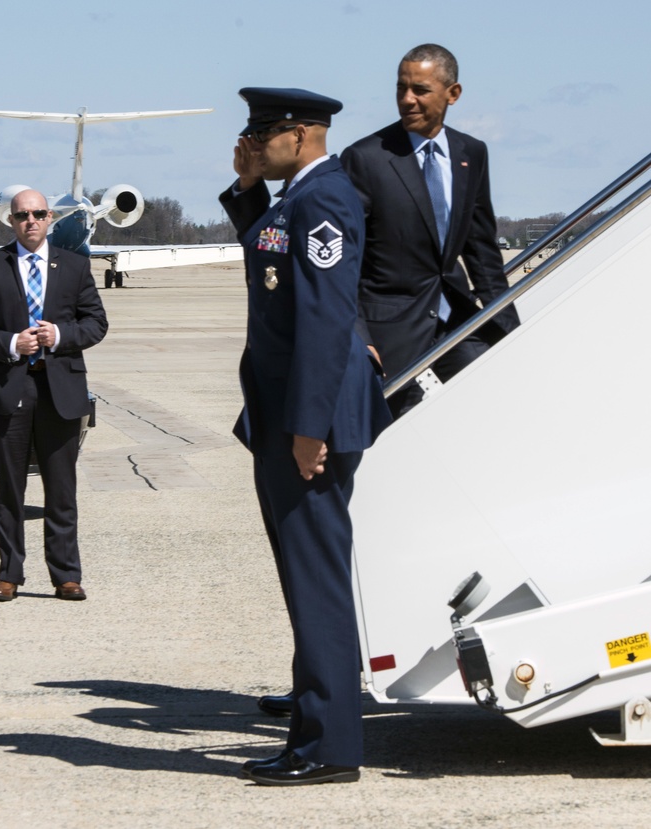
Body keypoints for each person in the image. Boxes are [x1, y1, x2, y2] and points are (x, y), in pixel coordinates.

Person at [219, 88, 392, 785]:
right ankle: (312, 734)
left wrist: (308, 429)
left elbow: (323, 320)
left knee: (315, 577)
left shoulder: (324, 199)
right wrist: (246, 188)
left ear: (301, 133)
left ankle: (329, 746)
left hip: (304, 416)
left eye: (264, 133)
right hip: (287, 407)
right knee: (306, 574)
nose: (255, 142)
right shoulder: (295, 196)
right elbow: (268, 259)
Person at [340, 43, 520, 417]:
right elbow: (345, 258)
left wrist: (509, 328)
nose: (407, 100)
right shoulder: (366, 157)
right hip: (390, 326)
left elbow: (481, 249)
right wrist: (358, 336)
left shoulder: (471, 152)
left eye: (420, 90)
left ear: (452, 94)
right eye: (400, 88)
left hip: (454, 317)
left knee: (493, 405)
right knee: (397, 432)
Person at [0, 189, 107, 602]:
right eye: (22, 215)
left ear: (49, 219)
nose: (31, 221)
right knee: (9, 488)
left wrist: (59, 336)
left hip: (60, 389)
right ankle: (9, 574)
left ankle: (66, 575)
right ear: (11, 220)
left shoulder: (75, 267)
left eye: (39, 213)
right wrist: (10, 343)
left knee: (62, 488)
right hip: (10, 388)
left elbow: (96, 323)